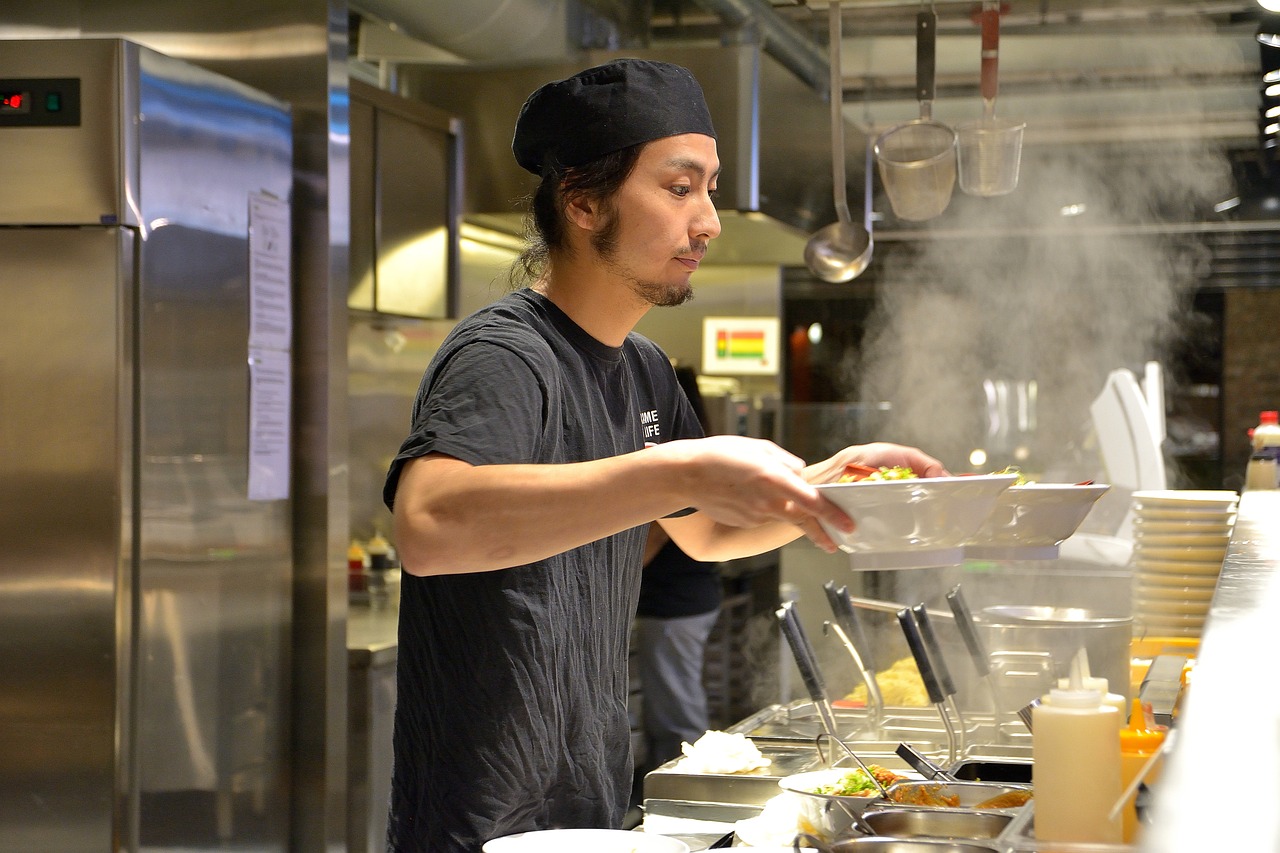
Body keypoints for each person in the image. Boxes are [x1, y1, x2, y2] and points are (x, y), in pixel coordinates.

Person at [382, 58, 945, 852]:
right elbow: (430, 525)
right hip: (482, 820)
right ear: (582, 200)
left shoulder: (642, 366)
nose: (708, 221)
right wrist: (676, 470)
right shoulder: (503, 353)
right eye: (681, 189)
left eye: (710, 189)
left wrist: (829, 486)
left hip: (588, 797)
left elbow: (706, 532)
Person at [633, 365, 722, 776]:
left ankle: (689, 794)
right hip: (691, 598)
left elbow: (656, 535)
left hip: (674, 605)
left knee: (677, 716)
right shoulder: (699, 454)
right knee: (675, 706)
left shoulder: (677, 459)